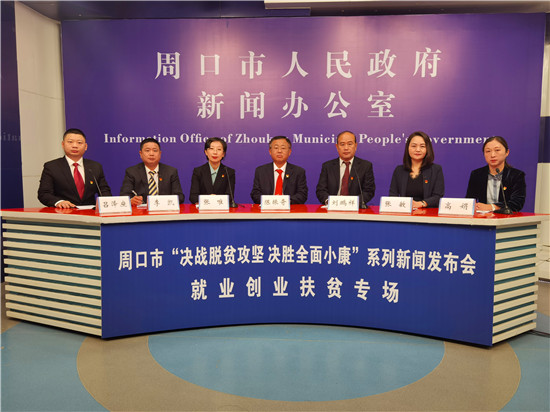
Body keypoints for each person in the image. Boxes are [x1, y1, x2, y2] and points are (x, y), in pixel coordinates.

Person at [38, 128, 112, 208]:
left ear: (85, 146)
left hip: (90, 213)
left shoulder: (95, 167)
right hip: (64, 212)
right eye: (70, 142)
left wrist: (106, 205)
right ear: (63, 144)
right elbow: (44, 194)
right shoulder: (52, 167)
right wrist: (59, 202)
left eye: (79, 143)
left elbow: (104, 191)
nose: (75, 146)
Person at [316, 130, 375, 208]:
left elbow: (368, 191)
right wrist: (329, 202)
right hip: (332, 208)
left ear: (355, 146)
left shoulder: (365, 166)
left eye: (350, 144)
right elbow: (321, 190)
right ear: (337, 147)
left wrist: (353, 203)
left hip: (356, 208)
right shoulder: (327, 166)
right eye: (342, 144)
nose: (346, 148)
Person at [466, 136, 526, 212]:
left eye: (497, 150)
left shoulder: (516, 175)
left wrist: (492, 207)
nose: (492, 155)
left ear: (507, 152)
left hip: (506, 217)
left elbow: (517, 203)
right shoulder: (477, 174)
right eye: (488, 151)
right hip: (483, 217)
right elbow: (469, 201)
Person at [120, 138, 184, 205]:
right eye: (147, 150)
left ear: (160, 153)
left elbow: (180, 197)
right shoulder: (132, 172)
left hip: (164, 209)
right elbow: (124, 196)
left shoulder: (171, 171)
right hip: (141, 210)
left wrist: (162, 202)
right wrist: (131, 200)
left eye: (155, 150)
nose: (151, 154)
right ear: (141, 154)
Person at [389, 131, 444, 208]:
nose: (418, 150)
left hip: (427, 212)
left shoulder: (436, 170)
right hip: (405, 211)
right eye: (414, 146)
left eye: (422, 146)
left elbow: (438, 196)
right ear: (408, 148)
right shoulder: (399, 170)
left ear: (427, 149)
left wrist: (421, 204)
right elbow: (392, 195)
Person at [250, 135, 308, 204]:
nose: (279, 151)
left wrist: (285, 202)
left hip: (290, 208)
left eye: (283, 148)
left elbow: (302, 194)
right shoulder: (261, 171)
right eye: (276, 148)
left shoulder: (298, 171)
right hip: (267, 208)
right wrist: (270, 202)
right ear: (270, 151)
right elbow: (255, 193)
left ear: (289, 152)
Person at [189, 137, 236, 205]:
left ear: (223, 154)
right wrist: (209, 198)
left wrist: (215, 199)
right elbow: (193, 197)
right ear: (206, 152)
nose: (215, 152)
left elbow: (230, 197)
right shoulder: (198, 171)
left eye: (219, 149)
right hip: (203, 208)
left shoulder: (229, 172)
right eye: (211, 149)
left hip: (221, 209)